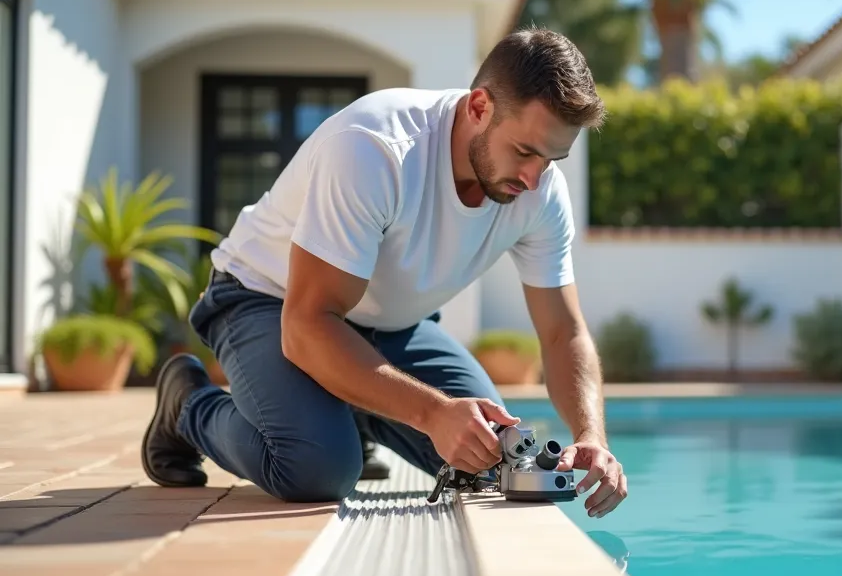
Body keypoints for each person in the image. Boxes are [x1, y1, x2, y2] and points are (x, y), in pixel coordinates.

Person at [140, 28, 627, 519]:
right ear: (478, 107)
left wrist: (592, 436)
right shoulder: (376, 148)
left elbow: (563, 332)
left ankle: (353, 410)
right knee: (317, 468)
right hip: (268, 300)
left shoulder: (541, 192)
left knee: (487, 456)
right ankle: (188, 406)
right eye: (524, 152)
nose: (533, 179)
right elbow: (308, 327)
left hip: (390, 327)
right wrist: (433, 412)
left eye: (552, 159)